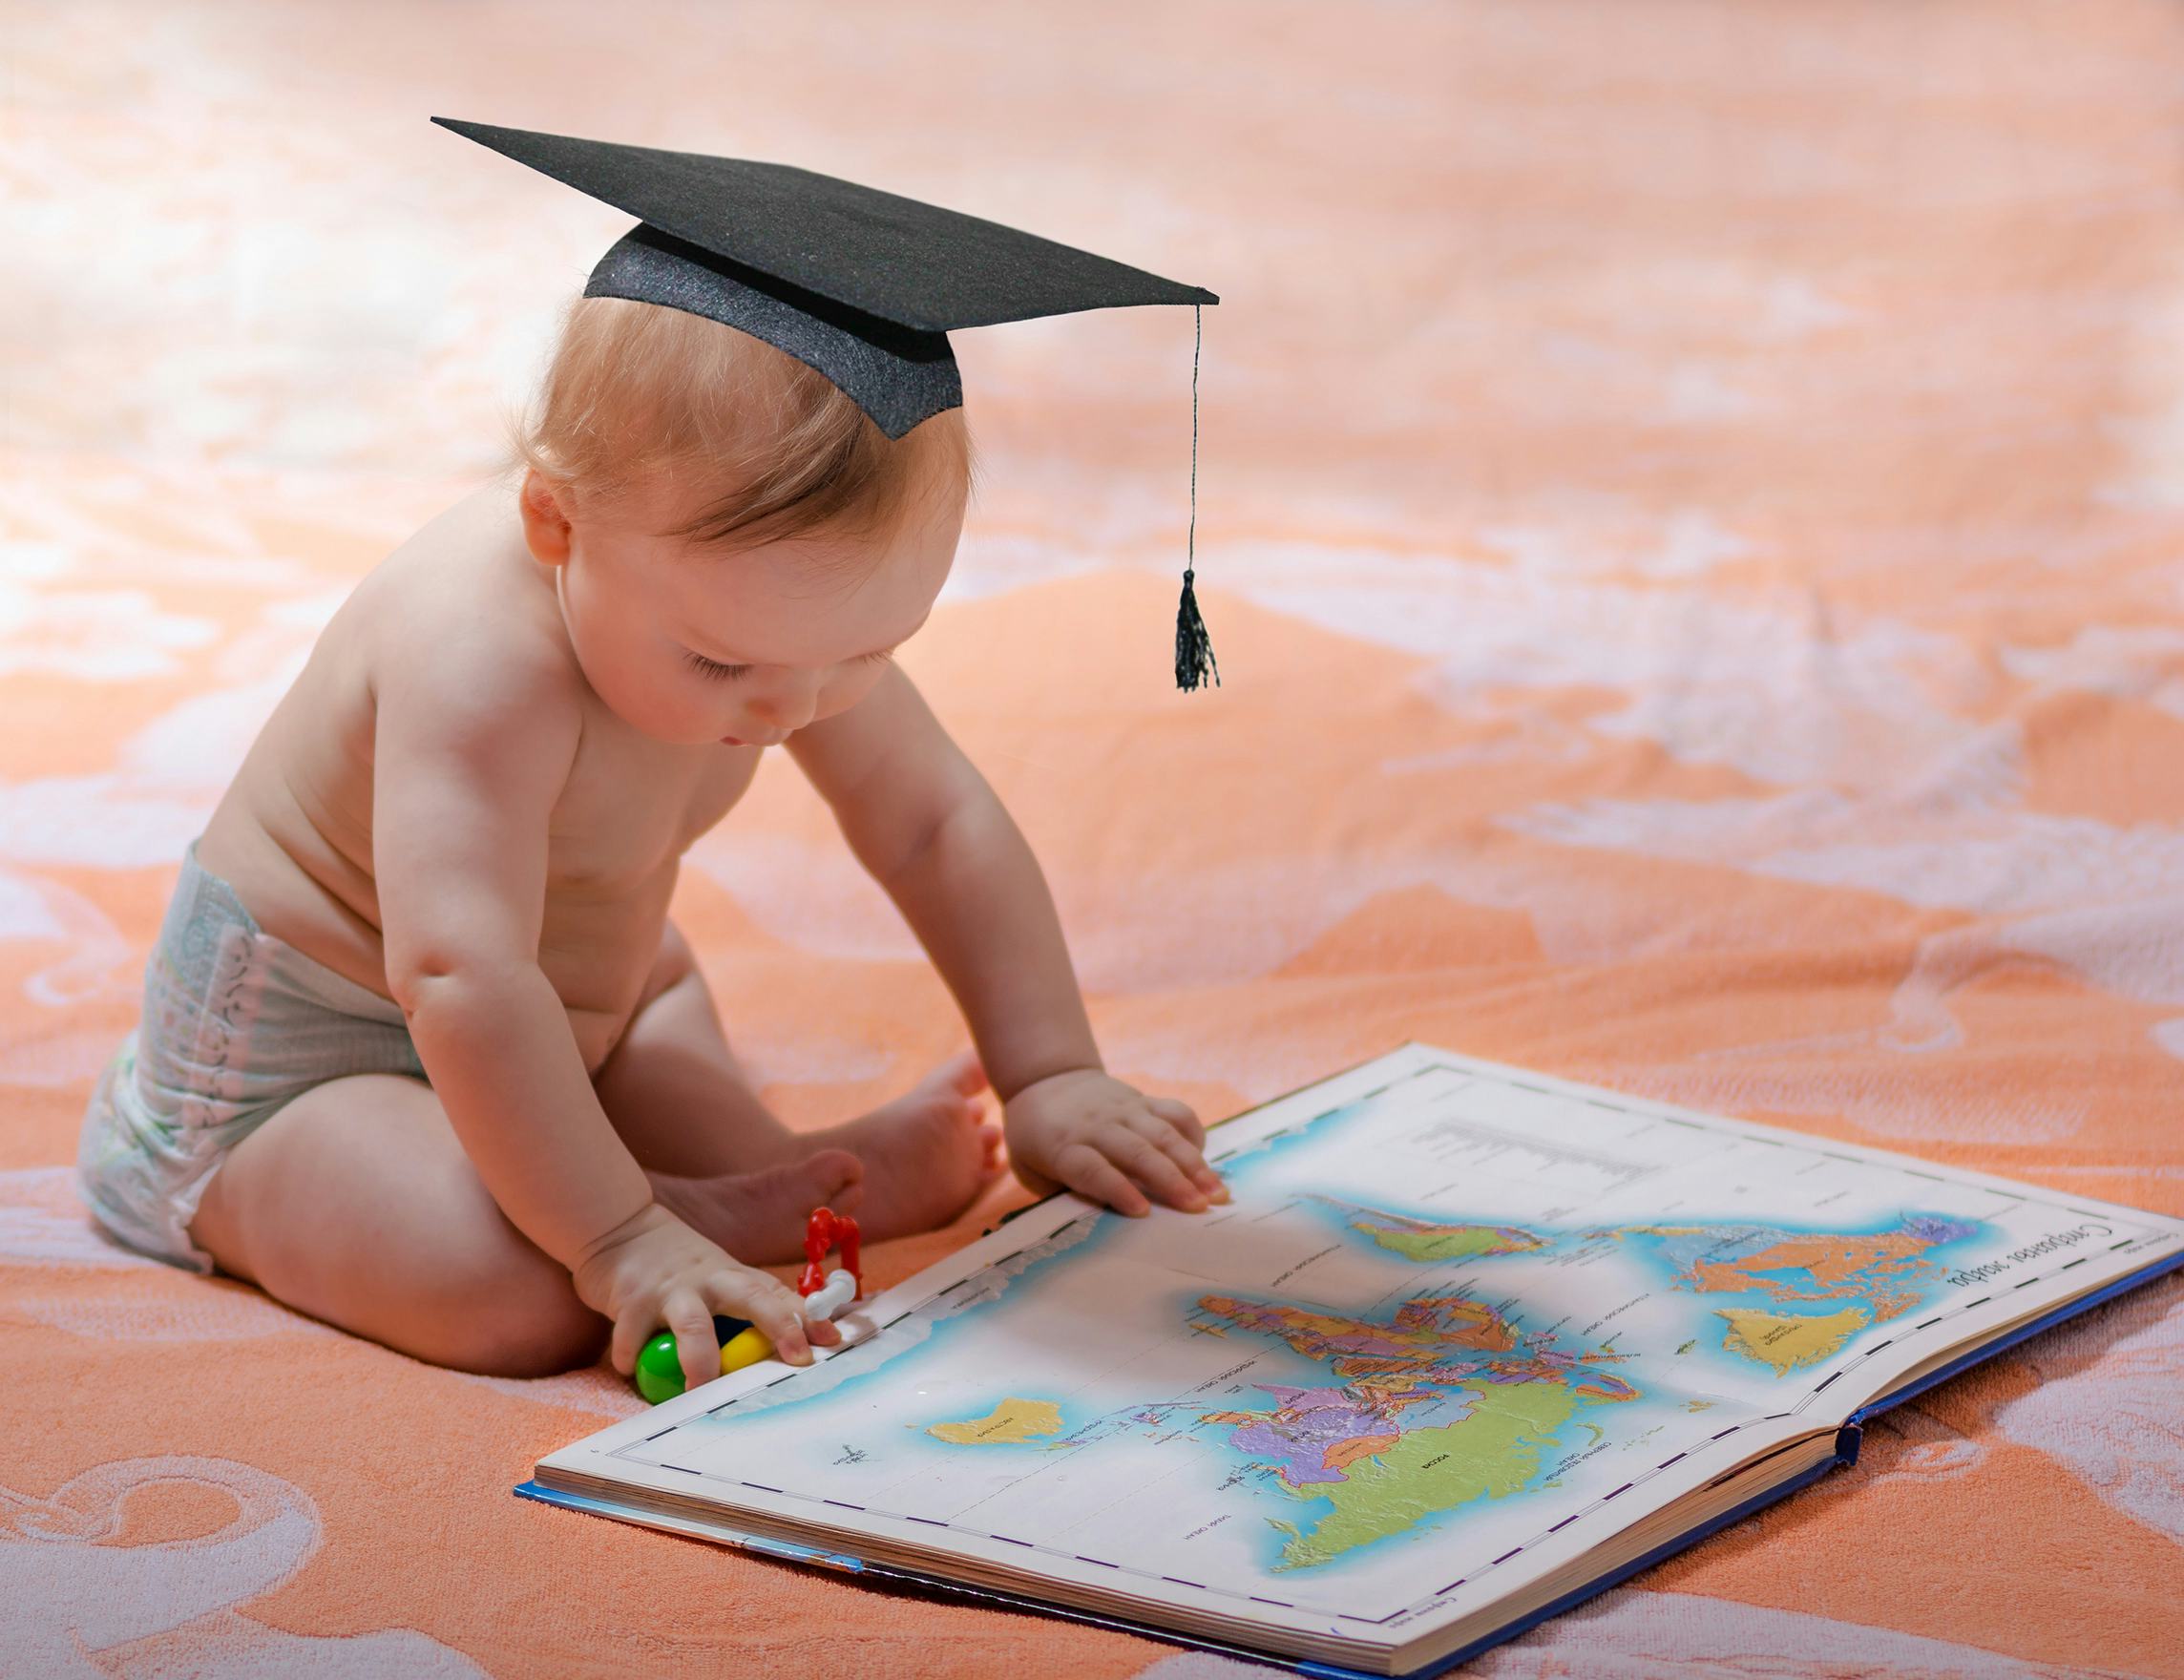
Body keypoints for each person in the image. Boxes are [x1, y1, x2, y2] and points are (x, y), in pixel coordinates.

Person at [75, 119, 1227, 1396]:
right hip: (310, 1055)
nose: (795, 710)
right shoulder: (475, 652)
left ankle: (720, 1196)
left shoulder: (783, 634)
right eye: (723, 668)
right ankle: (662, 1209)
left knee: (683, 1082)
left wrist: (1049, 1068)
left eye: (867, 653)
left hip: (583, 1009)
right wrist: (617, 1242)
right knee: (509, 1297)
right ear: (554, 522)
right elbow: (460, 972)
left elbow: (933, 823)